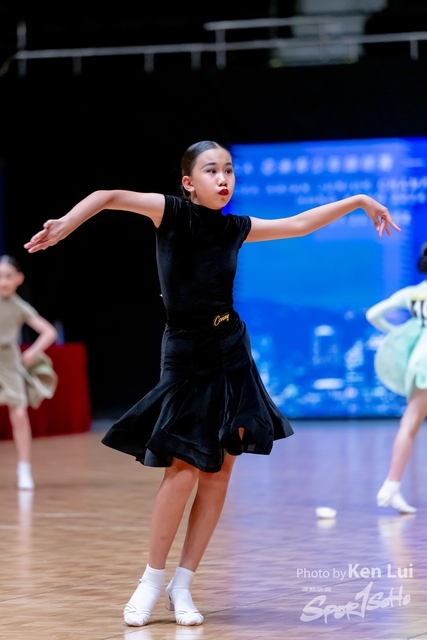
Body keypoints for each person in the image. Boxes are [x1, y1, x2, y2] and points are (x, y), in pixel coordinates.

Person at [24, 140, 399, 627]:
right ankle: (151, 580)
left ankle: (183, 584)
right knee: (182, 468)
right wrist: (66, 224)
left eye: (228, 170)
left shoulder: (234, 227)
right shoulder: (171, 213)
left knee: (220, 469)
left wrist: (360, 201)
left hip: (231, 349)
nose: (223, 179)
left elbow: (300, 224)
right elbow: (107, 195)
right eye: (211, 170)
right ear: (188, 182)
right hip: (185, 350)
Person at [366, 243, 427, 514]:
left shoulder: (413, 293)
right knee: (411, 421)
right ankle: (391, 487)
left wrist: (396, 332)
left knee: (410, 422)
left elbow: (373, 314)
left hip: (418, 359)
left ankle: (391, 486)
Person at [0, 255, 58, 490]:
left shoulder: (19, 307)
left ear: (19, 279)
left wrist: (32, 352)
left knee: (19, 414)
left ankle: (24, 467)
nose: (3, 281)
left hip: (10, 364)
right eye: (0, 277)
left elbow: (49, 332)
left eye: (8, 276)